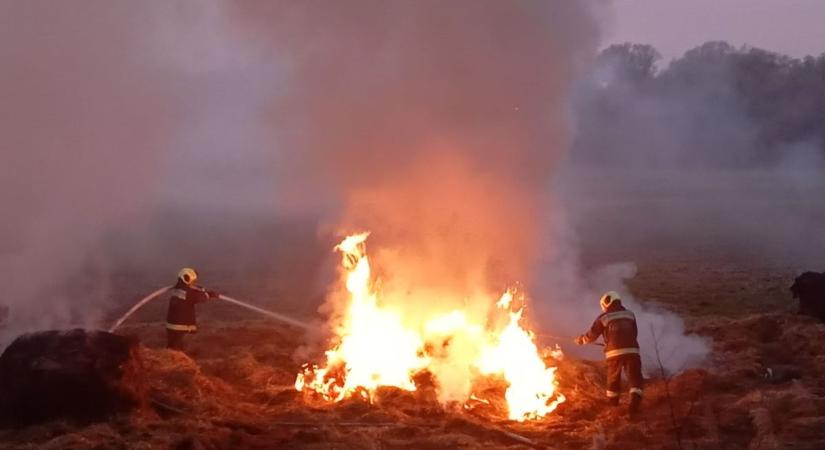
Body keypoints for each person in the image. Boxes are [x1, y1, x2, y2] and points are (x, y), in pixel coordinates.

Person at [575, 291, 643, 414]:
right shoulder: (630, 314)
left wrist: (581, 340)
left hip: (614, 354)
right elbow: (634, 333)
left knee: (613, 380)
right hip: (633, 351)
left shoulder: (604, 317)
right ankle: (634, 406)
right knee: (635, 379)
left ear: (606, 303)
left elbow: (592, 336)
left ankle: (613, 408)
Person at [166, 268, 219, 351]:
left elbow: (191, 290)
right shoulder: (189, 293)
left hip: (171, 327)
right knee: (181, 351)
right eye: (192, 281)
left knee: (172, 347)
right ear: (187, 279)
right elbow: (201, 297)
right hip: (183, 328)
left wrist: (201, 289)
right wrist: (210, 294)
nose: (193, 283)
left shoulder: (176, 290)